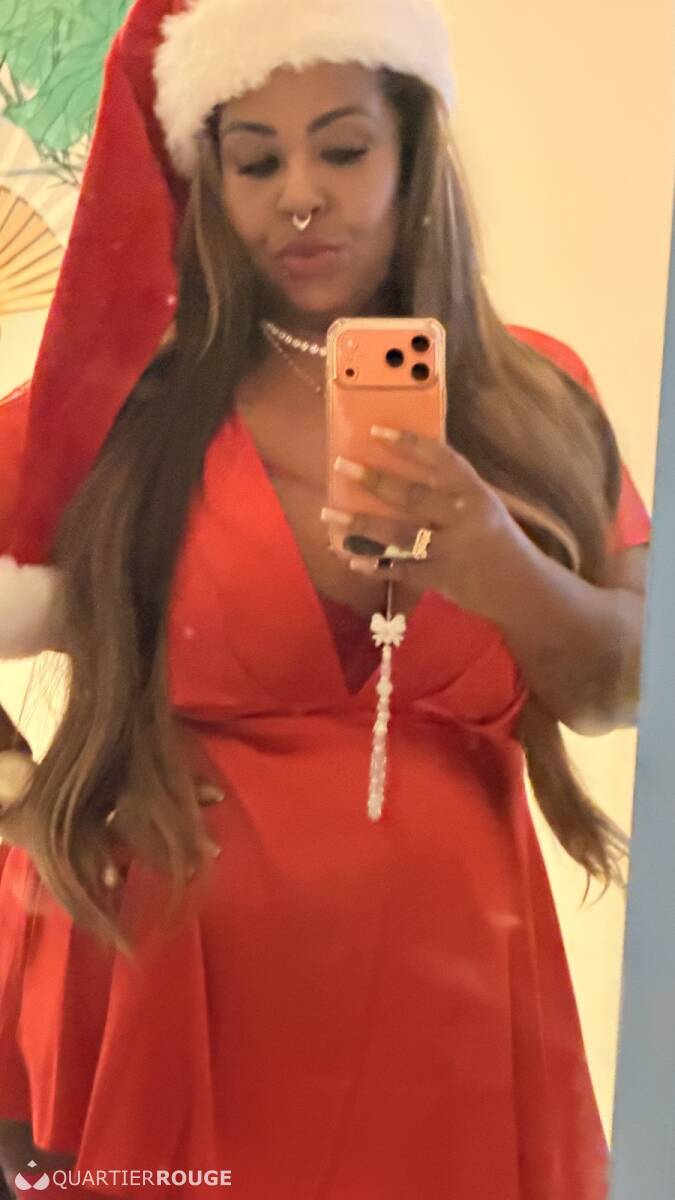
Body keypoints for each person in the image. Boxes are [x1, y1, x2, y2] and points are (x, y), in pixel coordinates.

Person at [0, 0, 652, 1196]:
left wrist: (497, 562)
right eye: (256, 162)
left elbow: (627, 683)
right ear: (211, 183)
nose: (299, 195)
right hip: (173, 1000)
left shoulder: (536, 396)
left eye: (342, 150)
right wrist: (31, 801)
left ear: (412, 152)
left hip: (457, 1014)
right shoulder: (126, 413)